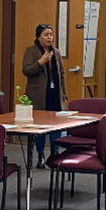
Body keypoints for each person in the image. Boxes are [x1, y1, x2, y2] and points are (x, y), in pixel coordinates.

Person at [22, 23, 67, 167]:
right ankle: (40, 154)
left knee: (56, 125)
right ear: (38, 37)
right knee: (40, 126)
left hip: (54, 94)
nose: (50, 38)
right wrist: (40, 62)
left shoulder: (56, 52)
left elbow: (62, 74)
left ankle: (54, 154)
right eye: (46, 35)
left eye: (51, 35)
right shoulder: (31, 51)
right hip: (39, 95)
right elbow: (26, 70)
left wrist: (64, 94)